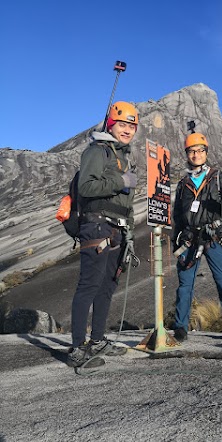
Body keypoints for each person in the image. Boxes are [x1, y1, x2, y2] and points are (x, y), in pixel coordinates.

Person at [67, 101, 139, 367]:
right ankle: (76, 348)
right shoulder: (98, 151)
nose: (127, 130)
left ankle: (97, 340)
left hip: (116, 229)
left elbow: (125, 204)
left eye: (131, 126)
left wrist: (129, 232)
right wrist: (121, 181)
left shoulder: (122, 156)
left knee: (106, 287)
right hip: (96, 226)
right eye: (122, 124)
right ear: (111, 124)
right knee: (89, 285)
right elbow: (86, 187)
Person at [172, 132, 222, 343]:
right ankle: (180, 327)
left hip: (214, 237)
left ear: (206, 152)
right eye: (191, 151)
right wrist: (175, 242)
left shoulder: (217, 177)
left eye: (200, 150)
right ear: (187, 154)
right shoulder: (183, 184)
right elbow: (177, 216)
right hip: (188, 238)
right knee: (184, 285)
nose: (196, 154)